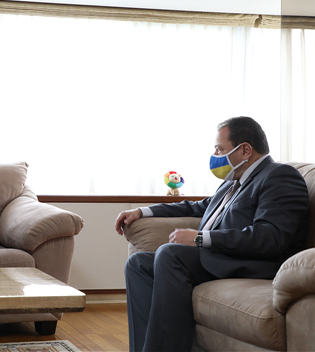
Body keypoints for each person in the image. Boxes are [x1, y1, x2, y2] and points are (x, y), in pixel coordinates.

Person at [115, 116, 309, 352]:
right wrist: (142, 211)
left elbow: (269, 237)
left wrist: (199, 238)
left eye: (220, 149)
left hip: (252, 262)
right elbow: (196, 207)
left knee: (171, 254)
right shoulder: (233, 182)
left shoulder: (279, 176)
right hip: (220, 257)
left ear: (245, 150)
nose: (215, 155)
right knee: (138, 263)